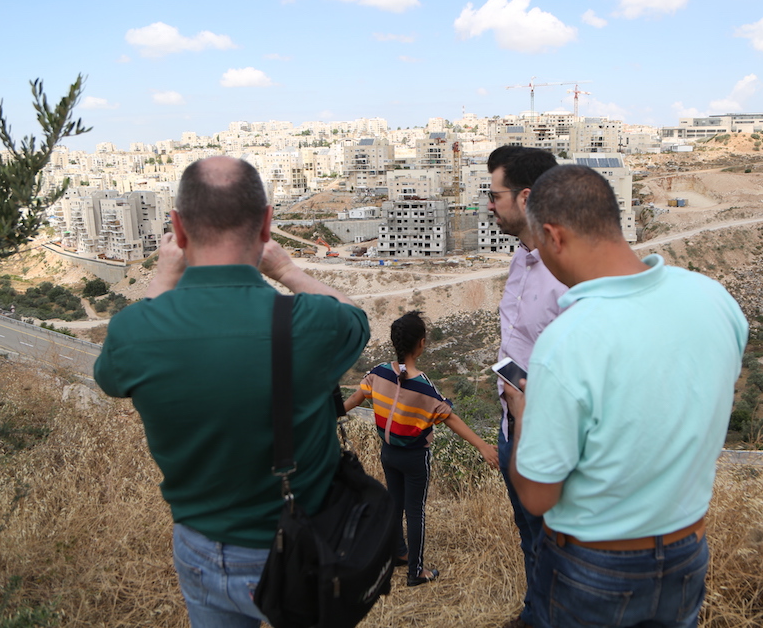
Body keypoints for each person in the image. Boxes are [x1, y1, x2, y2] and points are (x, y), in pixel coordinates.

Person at [94, 156, 370, 628]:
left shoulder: (134, 332)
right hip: (303, 545)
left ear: (178, 229)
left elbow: (110, 378)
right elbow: (355, 319)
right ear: (265, 223)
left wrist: (162, 276)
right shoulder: (311, 323)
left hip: (201, 547)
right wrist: (285, 268)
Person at [506, 165, 748, 628]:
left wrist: (523, 416)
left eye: (538, 242)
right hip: (688, 554)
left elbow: (537, 497)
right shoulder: (713, 298)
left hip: (594, 569)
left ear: (554, 236)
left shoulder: (567, 341)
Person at [344, 310, 498, 587]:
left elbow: (355, 398)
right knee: (415, 511)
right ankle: (416, 572)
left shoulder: (379, 373)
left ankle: (398, 552)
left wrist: (329, 413)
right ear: (422, 344)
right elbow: (450, 418)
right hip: (415, 458)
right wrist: (483, 446)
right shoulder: (424, 387)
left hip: (388, 453)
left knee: (395, 503)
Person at [486, 145, 565, 628]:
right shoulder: (522, 259)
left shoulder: (566, 274)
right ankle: (535, 613)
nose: (488, 206)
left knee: (554, 540)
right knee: (528, 533)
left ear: (526, 196)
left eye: (495, 195)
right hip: (511, 425)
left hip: (546, 432)